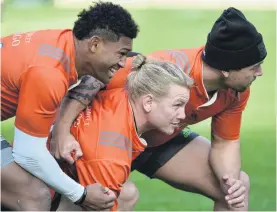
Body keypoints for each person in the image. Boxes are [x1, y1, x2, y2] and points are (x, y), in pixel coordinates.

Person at [51, 7, 267, 211]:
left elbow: (225, 142)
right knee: (119, 196)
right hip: (110, 136)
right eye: (254, 66)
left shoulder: (236, 90)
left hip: (158, 137)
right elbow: (92, 78)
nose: (260, 73)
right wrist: (62, 131)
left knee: (236, 186)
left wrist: (229, 181)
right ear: (227, 69)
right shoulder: (165, 68)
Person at [0, 1, 139, 210]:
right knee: (32, 194)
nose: (122, 63)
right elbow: (27, 152)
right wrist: (80, 194)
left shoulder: (62, 43)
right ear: (94, 44)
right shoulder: (50, 72)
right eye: (121, 53)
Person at [51, 54, 193, 211]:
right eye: (177, 105)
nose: (183, 115)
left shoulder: (123, 94)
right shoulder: (110, 155)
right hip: (37, 187)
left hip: (49, 173)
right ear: (148, 103)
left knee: (127, 193)